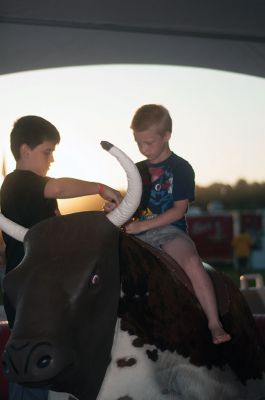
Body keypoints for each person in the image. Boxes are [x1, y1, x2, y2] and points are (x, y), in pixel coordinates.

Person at [0, 115, 122, 400]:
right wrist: (101, 188)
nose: (52, 159)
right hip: (29, 292)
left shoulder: (36, 193)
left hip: (42, 291)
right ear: (25, 150)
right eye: (47, 151)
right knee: (30, 365)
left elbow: (61, 233)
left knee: (42, 361)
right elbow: (59, 187)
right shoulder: (18, 182)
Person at [125, 104, 231, 345]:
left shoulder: (181, 168)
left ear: (166, 136)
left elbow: (178, 210)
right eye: (138, 142)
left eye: (148, 143)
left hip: (169, 231)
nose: (143, 149)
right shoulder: (137, 169)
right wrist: (118, 210)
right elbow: (133, 204)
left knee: (193, 262)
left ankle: (213, 321)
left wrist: (143, 227)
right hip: (137, 232)